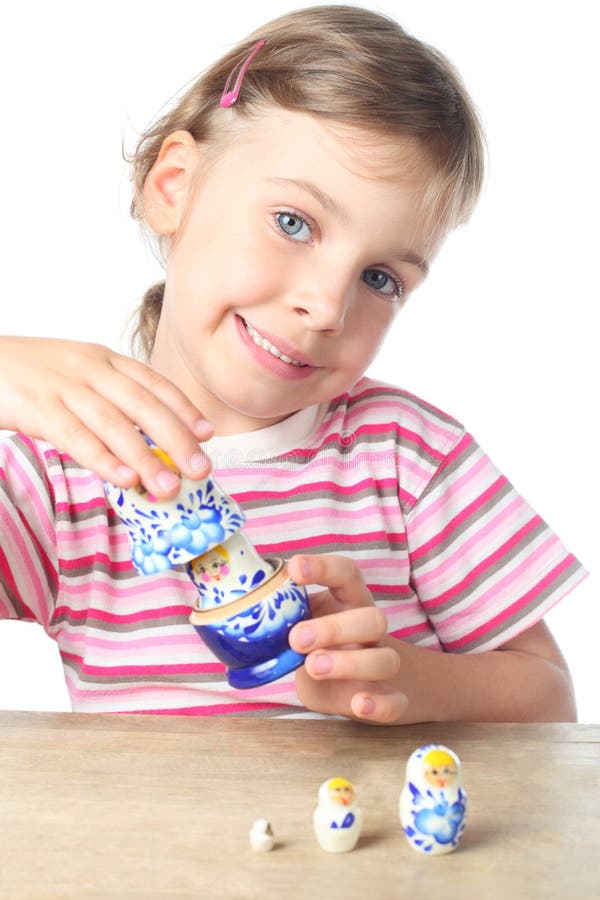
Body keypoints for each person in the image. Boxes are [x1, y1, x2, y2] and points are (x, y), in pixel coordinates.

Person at [0, 5, 587, 723]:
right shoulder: (65, 471)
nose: (327, 306)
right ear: (173, 186)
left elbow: (550, 699)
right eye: (293, 223)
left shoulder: (409, 458)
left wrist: (409, 679)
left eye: (380, 278)